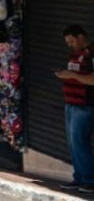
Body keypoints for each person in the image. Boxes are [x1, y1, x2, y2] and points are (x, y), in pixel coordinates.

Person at [55, 25, 94, 193]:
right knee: (73, 143)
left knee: (79, 141)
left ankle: (89, 180)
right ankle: (79, 177)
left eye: (71, 41)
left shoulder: (91, 53)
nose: (70, 45)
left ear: (80, 37)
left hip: (85, 105)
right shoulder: (74, 54)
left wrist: (71, 75)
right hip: (71, 103)